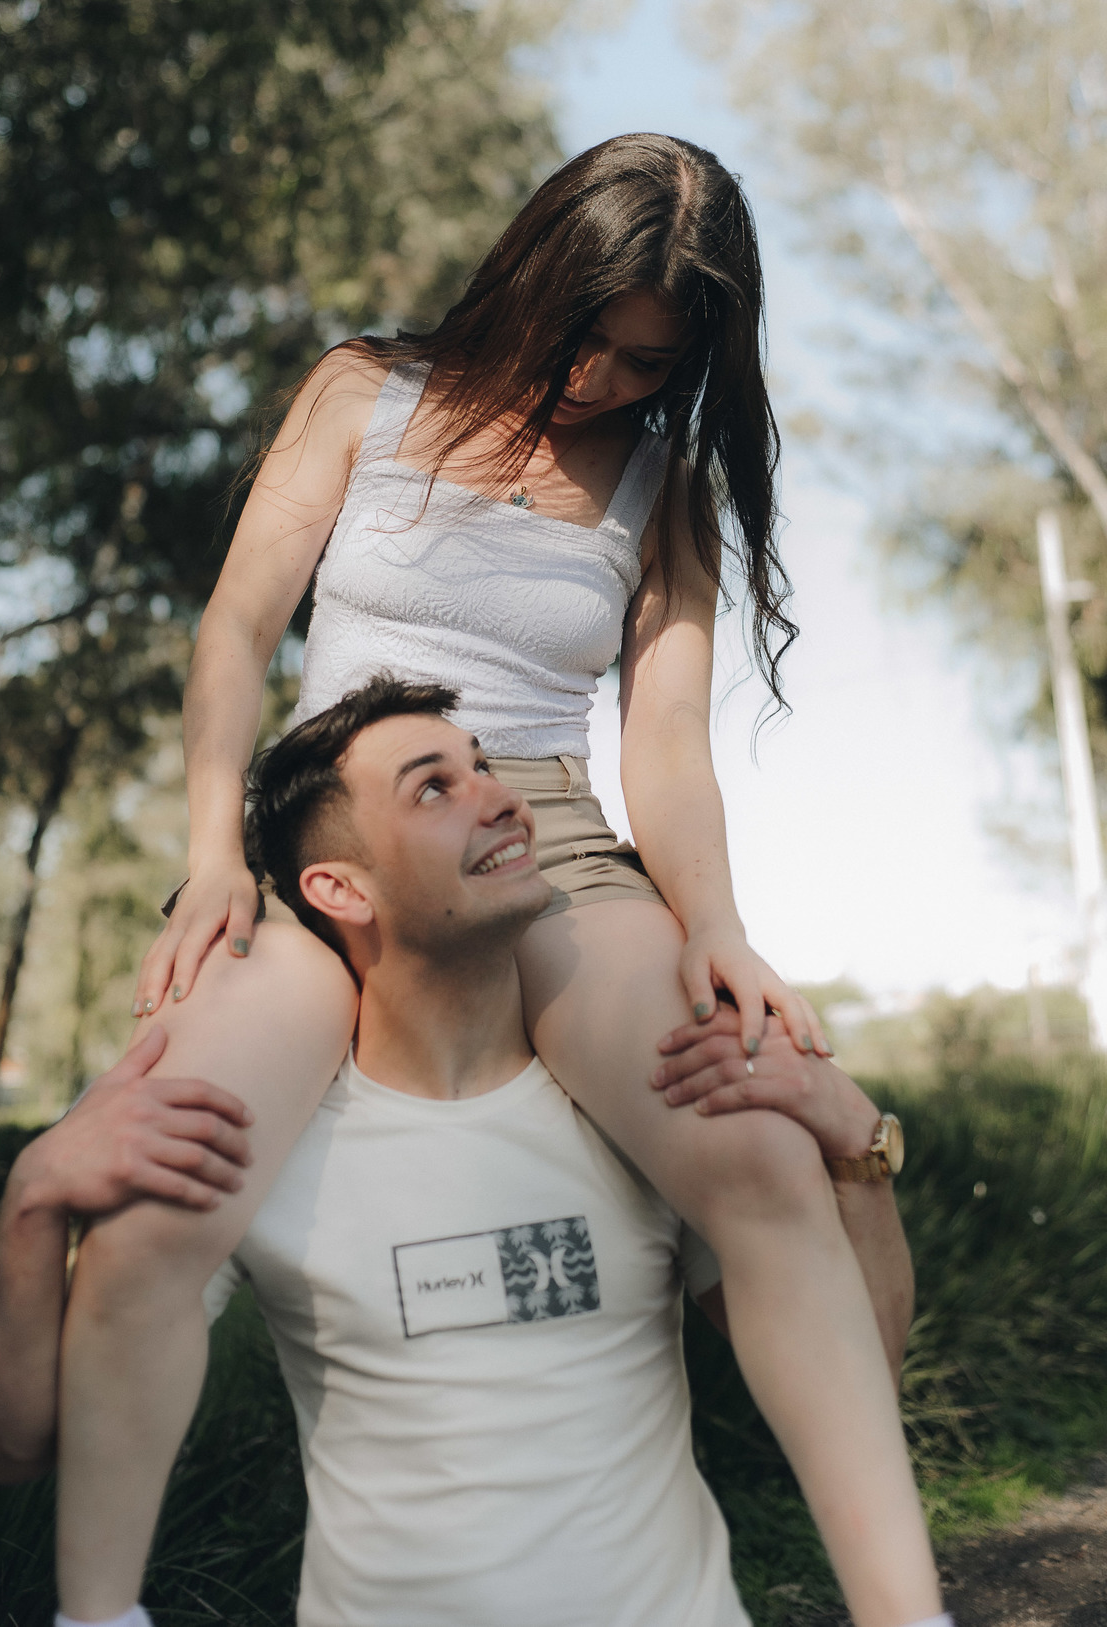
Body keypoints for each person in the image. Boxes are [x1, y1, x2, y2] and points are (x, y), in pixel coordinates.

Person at [52, 134, 945, 1627]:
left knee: (762, 1156)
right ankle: (97, 1611)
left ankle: (910, 1611)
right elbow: (236, 627)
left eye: (650, 360)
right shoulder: (364, 392)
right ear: (534, 275)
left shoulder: (666, 487)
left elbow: (665, 740)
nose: (602, 378)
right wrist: (213, 855)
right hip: (338, 828)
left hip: (550, 837)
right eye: (586, 334)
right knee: (162, 1180)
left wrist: (717, 926)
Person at [0, 679, 944, 1627]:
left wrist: (855, 1145)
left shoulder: (646, 1104)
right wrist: (32, 1202)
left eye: (484, 767)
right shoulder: (263, 1139)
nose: (502, 800)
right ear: (339, 887)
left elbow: (867, 1365)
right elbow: (6, 1445)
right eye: (434, 788)